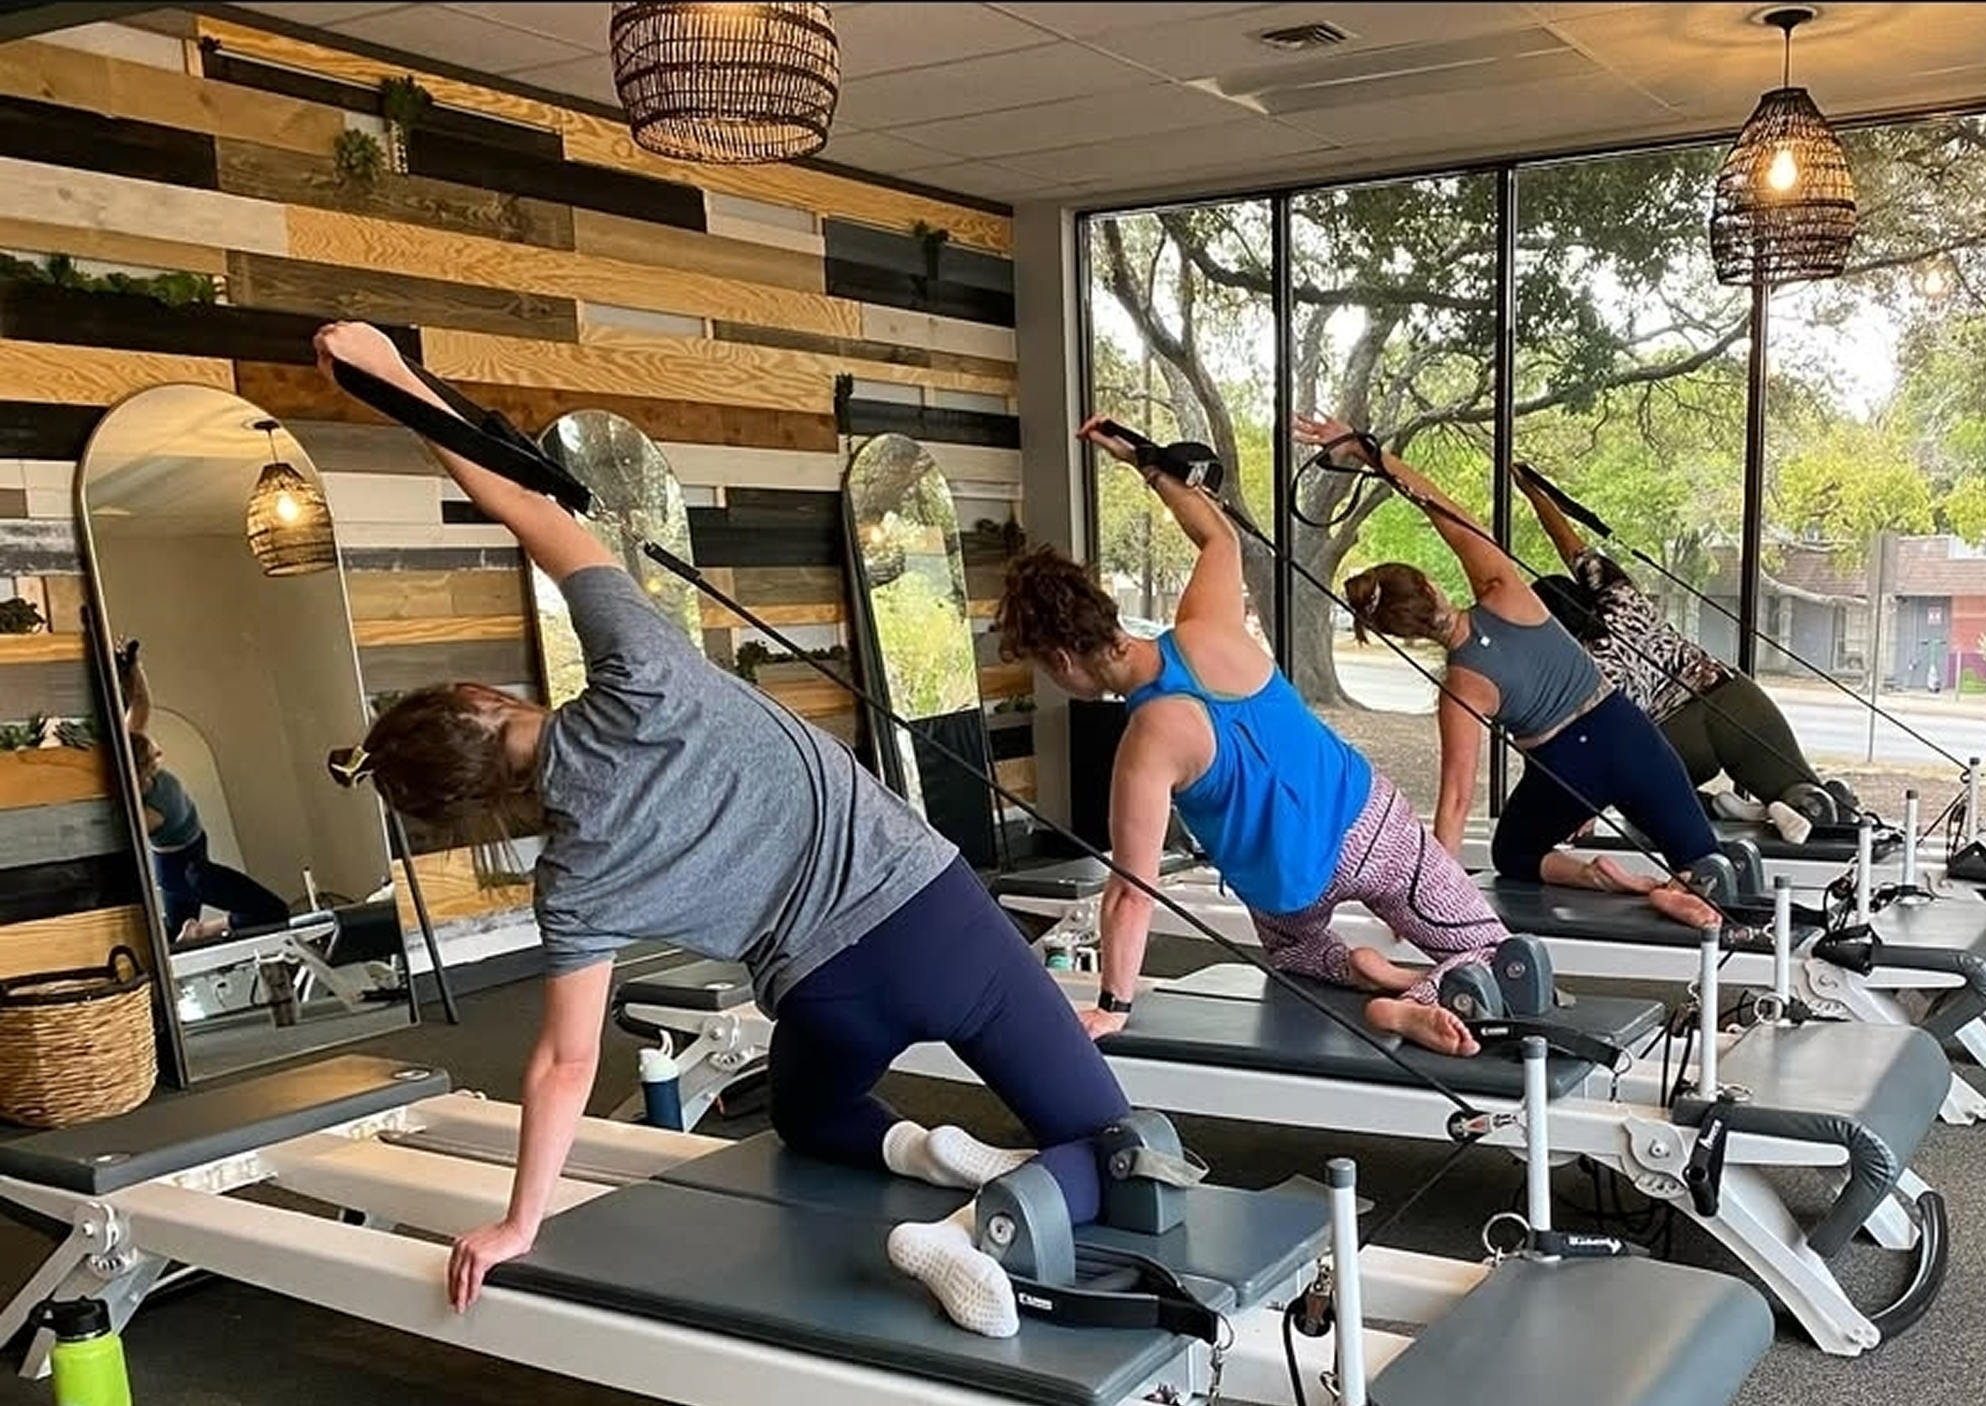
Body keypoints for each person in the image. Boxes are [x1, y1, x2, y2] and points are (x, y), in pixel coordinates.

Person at [310, 321, 1128, 1341]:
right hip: (934, 920)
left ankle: (927, 1153)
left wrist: (522, 1218)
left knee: (812, 1114)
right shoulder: (638, 668)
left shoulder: (571, 877)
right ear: (485, 695)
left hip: (826, 996)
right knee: (1102, 1142)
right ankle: (973, 1231)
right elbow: (517, 499)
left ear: (473, 804)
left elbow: (562, 1063)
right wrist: (390, 376)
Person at [993, 416, 1512, 1058]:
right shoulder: (1206, 627)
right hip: (1371, 828)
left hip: (1287, 889)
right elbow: (1218, 538)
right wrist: (1148, 464)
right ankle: (1409, 1000)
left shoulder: (1149, 739)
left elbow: (1132, 889)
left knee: (1296, 953)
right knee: (1497, 957)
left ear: (1064, 660)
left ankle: (1369, 977)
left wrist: (1112, 1007)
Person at [1303, 412, 1724, 924]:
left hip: (1567, 771)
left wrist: (1434, 900)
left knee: (1515, 852)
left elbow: (1455, 800)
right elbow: (1441, 508)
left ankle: (1598, 876)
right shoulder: (1505, 594)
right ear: (1431, 585)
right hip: (1625, 732)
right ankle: (1682, 887)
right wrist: (1367, 453)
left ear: (1405, 634)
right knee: (1707, 868)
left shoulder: (1461, 686)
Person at [1511, 462, 1851, 844]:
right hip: (1733, 697)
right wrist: (1535, 494)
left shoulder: (1576, 669)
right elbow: (1571, 545)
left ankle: (1719, 808)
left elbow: (1574, 748)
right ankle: (1805, 801)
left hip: (1677, 738)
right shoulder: (1620, 597)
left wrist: (1578, 809)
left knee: (1639, 801)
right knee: (1802, 788)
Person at [118, 642, 292, 944]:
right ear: (142, 769)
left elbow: (141, 703)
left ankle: (185, 935)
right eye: (153, 756)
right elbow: (127, 838)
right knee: (273, 911)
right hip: (186, 871)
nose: (159, 751)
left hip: (185, 861)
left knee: (171, 938)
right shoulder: (146, 811)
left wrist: (133, 665)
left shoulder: (134, 757)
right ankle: (199, 933)